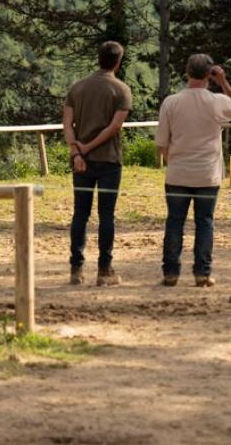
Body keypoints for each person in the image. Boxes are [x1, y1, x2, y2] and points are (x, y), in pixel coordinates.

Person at [155, 54, 231, 287]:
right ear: (209, 75)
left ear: (187, 73)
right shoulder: (216, 101)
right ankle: (202, 272)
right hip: (207, 174)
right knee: (204, 222)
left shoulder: (171, 102)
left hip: (177, 172)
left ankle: (171, 272)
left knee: (175, 222)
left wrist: (174, 160)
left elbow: (162, 143)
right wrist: (224, 82)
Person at [63, 41, 132, 287]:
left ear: (98, 58)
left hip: (81, 162)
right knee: (106, 215)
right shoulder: (121, 90)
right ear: (118, 62)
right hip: (109, 161)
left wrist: (77, 151)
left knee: (80, 214)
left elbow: (67, 124)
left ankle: (76, 268)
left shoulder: (77, 87)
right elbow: (114, 127)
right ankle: (104, 270)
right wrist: (89, 147)